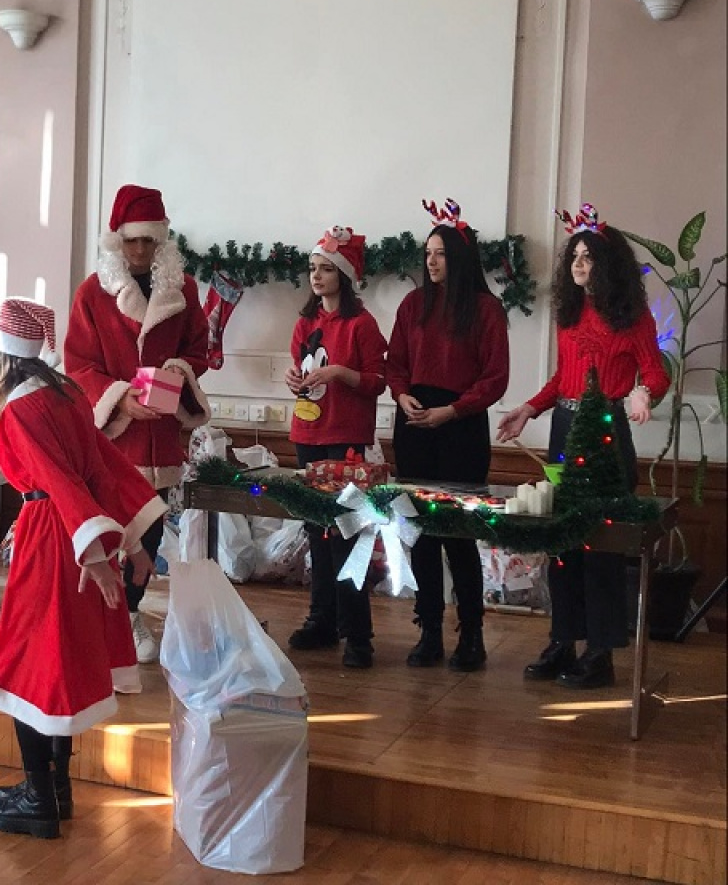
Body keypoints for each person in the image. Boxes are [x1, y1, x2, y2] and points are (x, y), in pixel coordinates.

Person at [0, 298, 166, 840]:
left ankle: (38, 797)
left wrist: (97, 556)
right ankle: (57, 789)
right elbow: (105, 469)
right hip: (79, 534)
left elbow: (61, 482)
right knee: (56, 660)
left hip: (52, 537)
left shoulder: (20, 408)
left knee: (27, 662)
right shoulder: (66, 394)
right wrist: (130, 542)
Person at [497, 204, 669, 689]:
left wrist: (643, 393)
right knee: (563, 540)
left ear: (607, 264)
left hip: (608, 429)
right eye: (573, 255)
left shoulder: (632, 318)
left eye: (588, 256)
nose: (577, 263)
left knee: (601, 545)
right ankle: (563, 640)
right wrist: (529, 409)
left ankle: (600, 652)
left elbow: (656, 373)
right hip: (564, 428)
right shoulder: (569, 314)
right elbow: (563, 379)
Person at [63, 184, 209, 664]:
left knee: (149, 533)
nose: (141, 250)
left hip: (160, 436)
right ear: (117, 241)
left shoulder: (183, 290)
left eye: (149, 240)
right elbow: (79, 365)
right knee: (108, 531)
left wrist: (178, 372)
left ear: (161, 241)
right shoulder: (92, 293)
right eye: (132, 240)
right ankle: (100, 619)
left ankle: (128, 613)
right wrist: (120, 398)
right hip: (113, 439)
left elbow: (198, 349)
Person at [386, 198, 509, 672]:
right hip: (416, 423)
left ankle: (471, 634)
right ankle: (430, 630)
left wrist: (452, 411)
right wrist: (402, 396)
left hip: (460, 428)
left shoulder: (485, 309)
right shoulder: (412, 304)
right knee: (421, 533)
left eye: (440, 253)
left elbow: (494, 378)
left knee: (458, 534)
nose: (431, 261)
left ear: (459, 258)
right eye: (428, 253)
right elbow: (395, 363)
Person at [284, 227, 388, 669]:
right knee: (316, 532)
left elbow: (377, 381)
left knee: (347, 534)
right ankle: (321, 619)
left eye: (326, 269)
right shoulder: (305, 324)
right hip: (307, 435)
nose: (316, 276)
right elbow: (300, 372)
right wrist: (293, 379)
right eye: (313, 268)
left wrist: (341, 374)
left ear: (343, 276)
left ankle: (358, 634)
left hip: (344, 439)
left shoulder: (361, 324)